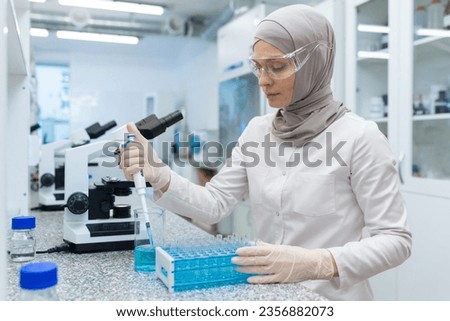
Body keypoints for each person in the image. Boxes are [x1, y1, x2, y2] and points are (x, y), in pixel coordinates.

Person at [121, 4, 412, 300]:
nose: (262, 80)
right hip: (267, 296)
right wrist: (160, 175)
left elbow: (394, 240)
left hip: (331, 300)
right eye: (258, 67)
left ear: (315, 61)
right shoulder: (257, 132)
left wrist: (319, 263)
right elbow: (214, 202)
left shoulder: (360, 137)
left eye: (277, 66)